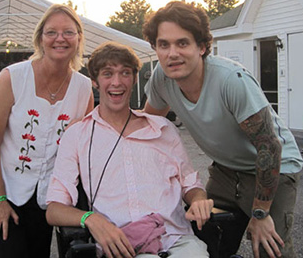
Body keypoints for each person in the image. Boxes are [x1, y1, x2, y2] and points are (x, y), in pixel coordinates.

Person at [142, 1, 303, 258]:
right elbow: (147, 128)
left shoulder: (230, 80)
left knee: (270, 248)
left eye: (182, 43)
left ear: (202, 47)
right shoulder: (162, 78)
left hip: (275, 168)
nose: (172, 53)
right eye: (164, 44)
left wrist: (259, 213)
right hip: (227, 171)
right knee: (205, 237)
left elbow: (270, 146)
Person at [46, 41, 214, 258]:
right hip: (123, 245)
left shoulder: (163, 129)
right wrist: (91, 219)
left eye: (125, 73)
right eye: (108, 74)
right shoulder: (78, 135)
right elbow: (54, 210)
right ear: (95, 82)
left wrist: (199, 199)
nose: (117, 82)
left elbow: (190, 184)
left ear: (134, 79)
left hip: (176, 240)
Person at [0, 4, 94, 258]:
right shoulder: (13, 77)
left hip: (45, 196)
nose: (60, 38)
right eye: (51, 32)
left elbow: (81, 147)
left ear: (79, 38)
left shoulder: (84, 88)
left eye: (68, 32)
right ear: (40, 38)